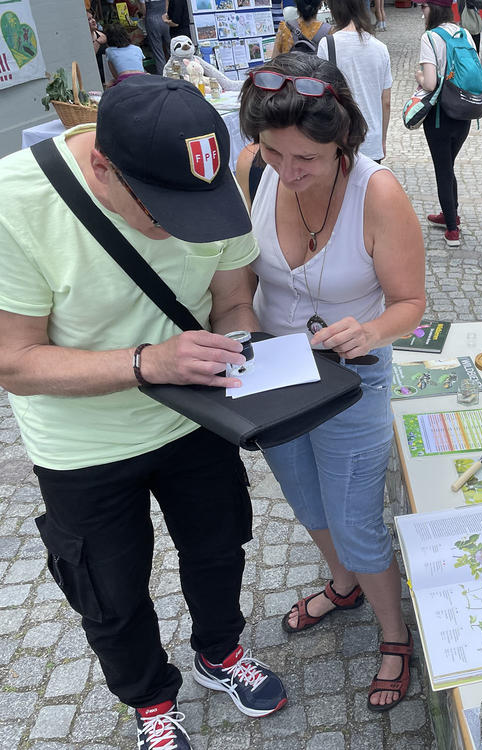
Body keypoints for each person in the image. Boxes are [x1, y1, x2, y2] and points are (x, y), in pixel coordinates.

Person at [0, 76, 288, 750]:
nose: (178, 227)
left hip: (194, 418)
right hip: (82, 443)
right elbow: (13, 360)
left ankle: (219, 653)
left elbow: (233, 301)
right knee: (111, 588)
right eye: (161, 210)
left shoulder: (207, 184)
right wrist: (146, 363)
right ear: (103, 164)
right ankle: (150, 700)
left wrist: (240, 347)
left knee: (219, 549)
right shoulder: (16, 202)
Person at [235, 53, 426, 712]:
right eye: (273, 152)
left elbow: (410, 304)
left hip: (351, 378)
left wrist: (370, 332)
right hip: (274, 378)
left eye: (307, 160)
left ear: (342, 141)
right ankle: (343, 585)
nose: (288, 173)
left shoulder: (379, 193)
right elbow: (239, 277)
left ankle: (395, 634)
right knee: (308, 503)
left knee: (355, 519)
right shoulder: (251, 171)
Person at [415, 0, 476, 248]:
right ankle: (450, 212)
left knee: (442, 169)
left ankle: (452, 230)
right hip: (464, 112)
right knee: (448, 165)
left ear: (433, 8)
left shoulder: (430, 37)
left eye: (423, 7)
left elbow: (429, 83)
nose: (421, 12)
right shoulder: (465, 34)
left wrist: (417, 75)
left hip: (440, 115)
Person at [317, 0, 392, 162]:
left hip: (339, 139)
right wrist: (382, 140)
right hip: (371, 139)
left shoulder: (327, 44)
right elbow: (386, 102)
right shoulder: (380, 48)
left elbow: (321, 96)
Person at [139, 0, 170, 73]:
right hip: (165, 18)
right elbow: (167, 3)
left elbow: (143, 10)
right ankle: (175, 72)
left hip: (152, 19)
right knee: (171, 48)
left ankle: (163, 75)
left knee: (157, 51)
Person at [88, 11, 109, 87]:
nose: (93, 20)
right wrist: (97, 42)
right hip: (94, 75)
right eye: (89, 19)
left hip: (106, 74)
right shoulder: (86, 40)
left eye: (92, 17)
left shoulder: (101, 34)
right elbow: (89, 58)